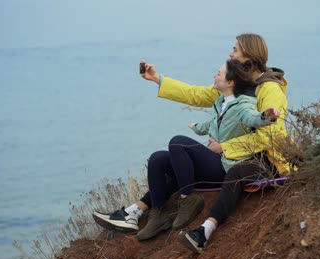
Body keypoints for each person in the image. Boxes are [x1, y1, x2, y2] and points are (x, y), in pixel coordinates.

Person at [92, 58, 280, 241]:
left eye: (219, 73)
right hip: (212, 159)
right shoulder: (220, 102)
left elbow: (253, 118)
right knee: (158, 159)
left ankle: (188, 199)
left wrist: (266, 116)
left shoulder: (243, 105)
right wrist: (198, 126)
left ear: (230, 82)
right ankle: (157, 215)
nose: (214, 75)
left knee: (178, 143)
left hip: (224, 165)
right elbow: (206, 115)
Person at [141, 33, 293, 253]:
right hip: (231, 156)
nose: (230, 53)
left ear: (248, 57)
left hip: (263, 159)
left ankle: (187, 207)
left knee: (181, 146)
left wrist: (224, 147)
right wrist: (158, 79)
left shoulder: (269, 89)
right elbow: (197, 94)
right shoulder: (237, 84)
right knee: (162, 158)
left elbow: (270, 136)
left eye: (235, 50)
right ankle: (149, 211)